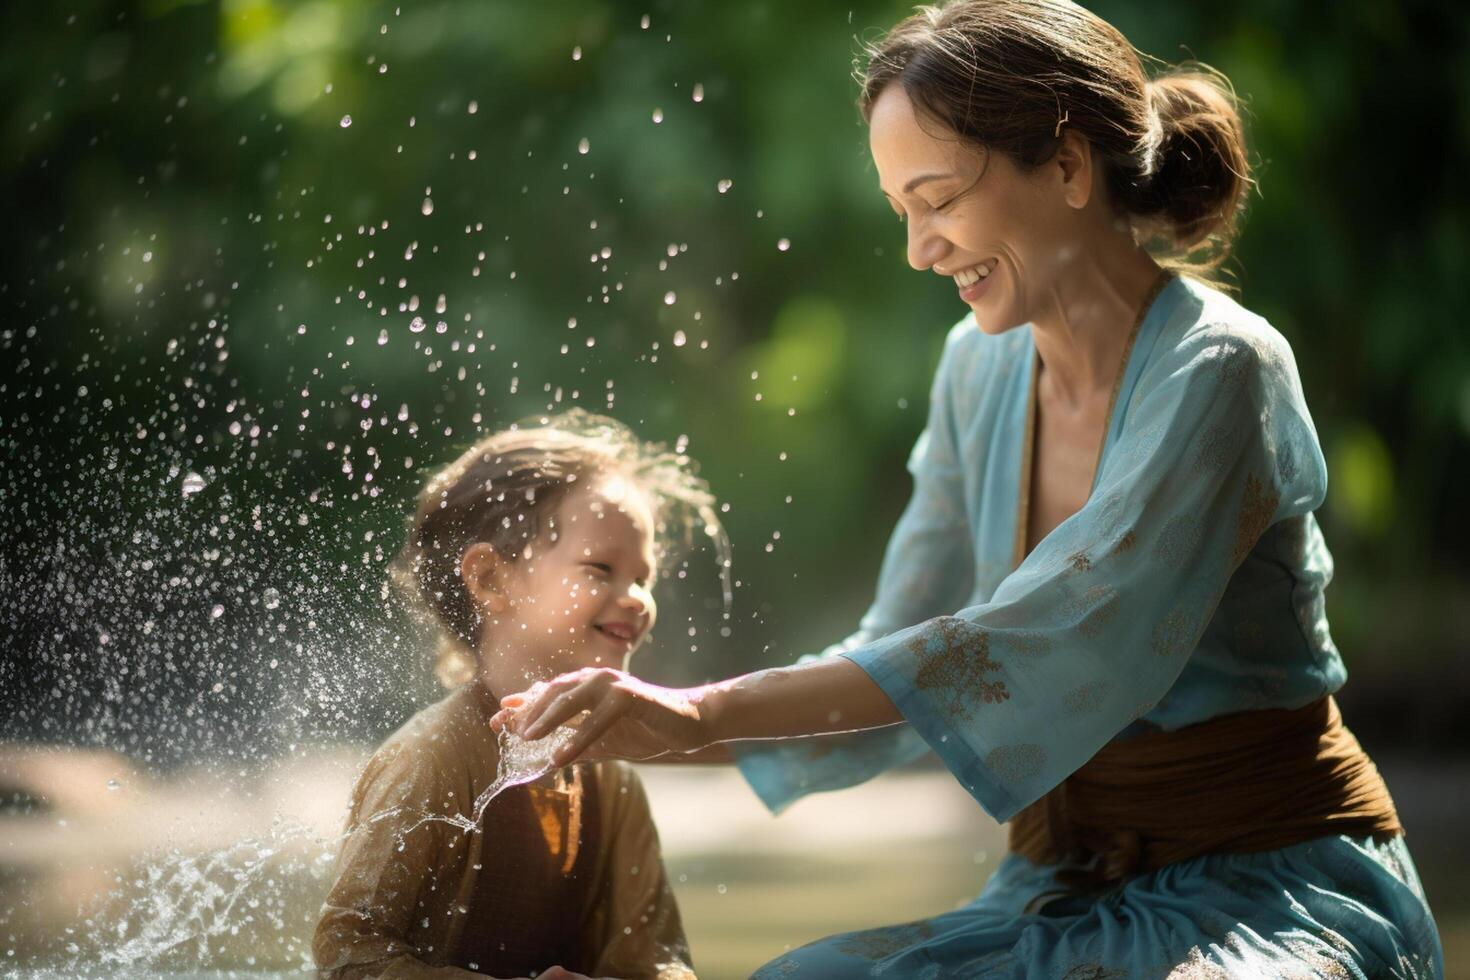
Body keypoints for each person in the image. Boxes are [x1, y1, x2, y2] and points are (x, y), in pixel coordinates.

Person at [490, 2, 1445, 976]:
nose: (919, 248)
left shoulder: (1221, 370)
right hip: (1063, 888)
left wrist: (704, 710)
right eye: (903, 212)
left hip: (1274, 882)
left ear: (1069, 167)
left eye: (939, 199)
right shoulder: (975, 369)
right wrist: (637, 721)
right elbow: (902, 647)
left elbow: (1046, 636)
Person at [313, 411, 710, 980]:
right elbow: (348, 954)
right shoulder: (433, 757)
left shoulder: (610, 779)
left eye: (643, 578)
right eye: (601, 568)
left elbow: (657, 957)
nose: (637, 600)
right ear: (491, 580)